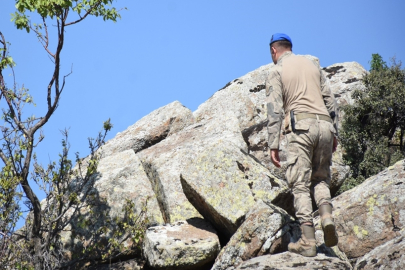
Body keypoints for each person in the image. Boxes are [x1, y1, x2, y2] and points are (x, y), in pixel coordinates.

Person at [266, 33, 339, 257]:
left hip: (301, 127)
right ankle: (326, 216)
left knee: (300, 184)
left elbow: (274, 109)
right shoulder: (312, 65)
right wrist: (335, 132)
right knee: (321, 178)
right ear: (290, 47)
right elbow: (331, 100)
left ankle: (308, 240)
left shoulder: (276, 71)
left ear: (273, 51)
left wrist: (273, 143)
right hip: (325, 125)